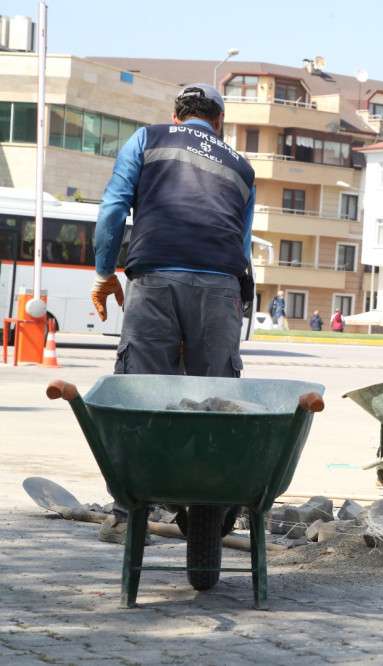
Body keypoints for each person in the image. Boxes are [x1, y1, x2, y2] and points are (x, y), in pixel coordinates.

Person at [90, 83, 255, 543]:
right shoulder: (241, 165)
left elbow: (113, 208)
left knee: (140, 393)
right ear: (219, 121)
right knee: (214, 400)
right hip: (221, 287)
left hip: (155, 279)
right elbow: (241, 247)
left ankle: (130, 514)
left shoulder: (147, 138)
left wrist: (105, 271)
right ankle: (208, 505)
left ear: (176, 115)